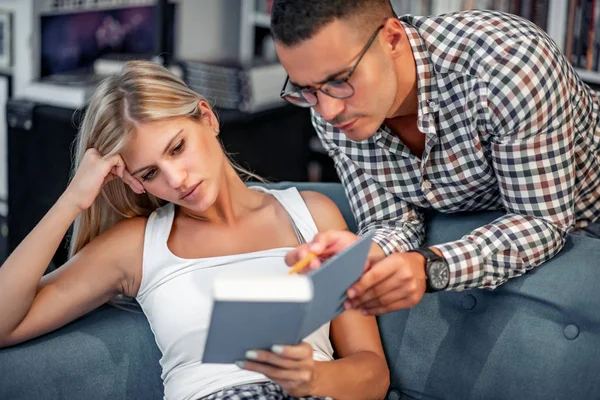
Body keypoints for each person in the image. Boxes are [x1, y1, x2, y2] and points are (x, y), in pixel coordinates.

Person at [0, 61, 389, 400]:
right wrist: (72, 200)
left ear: (207, 117)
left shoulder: (313, 216)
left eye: (176, 147)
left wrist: (312, 378)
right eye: (149, 173)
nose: (177, 179)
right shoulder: (138, 246)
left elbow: (372, 373)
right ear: (136, 183)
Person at [272, 1, 600, 315]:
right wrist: (362, 254)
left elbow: (540, 221)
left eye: (340, 80)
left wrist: (431, 266)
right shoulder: (328, 110)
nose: (327, 111)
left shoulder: (511, 65)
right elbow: (391, 222)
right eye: (307, 89)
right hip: (495, 239)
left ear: (392, 39)